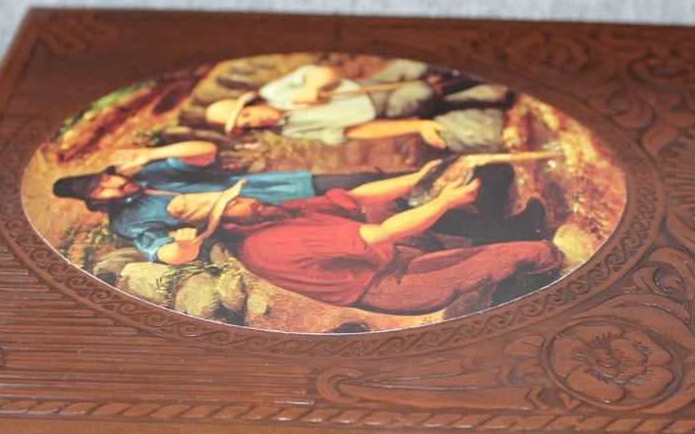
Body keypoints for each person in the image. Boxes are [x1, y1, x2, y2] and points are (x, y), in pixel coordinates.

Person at [213, 165, 563, 314]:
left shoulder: (274, 213)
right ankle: (518, 298)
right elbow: (382, 233)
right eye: (234, 205)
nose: (247, 201)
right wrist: (444, 200)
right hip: (388, 283)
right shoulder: (270, 242)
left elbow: (358, 197)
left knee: (381, 204)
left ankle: (508, 230)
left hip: (387, 254)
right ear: (228, 225)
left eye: (237, 197)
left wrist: (422, 176)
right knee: (539, 253)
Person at [51, 140, 403, 264]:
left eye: (107, 178)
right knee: (356, 230)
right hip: (254, 223)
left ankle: (423, 182)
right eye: (102, 190)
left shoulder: (151, 173)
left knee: (364, 184)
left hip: (281, 188)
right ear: (95, 202)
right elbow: (160, 252)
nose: (113, 184)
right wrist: (183, 249)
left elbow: (205, 152)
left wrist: (152, 153)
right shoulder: (126, 221)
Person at [203, 62, 453, 148]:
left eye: (247, 114)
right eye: (247, 125)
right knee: (420, 93)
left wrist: (311, 87)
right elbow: (356, 131)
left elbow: (324, 72)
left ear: (251, 103)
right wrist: (418, 126)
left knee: (415, 65)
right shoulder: (290, 130)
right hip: (386, 108)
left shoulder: (273, 92)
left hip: (372, 84)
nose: (255, 121)